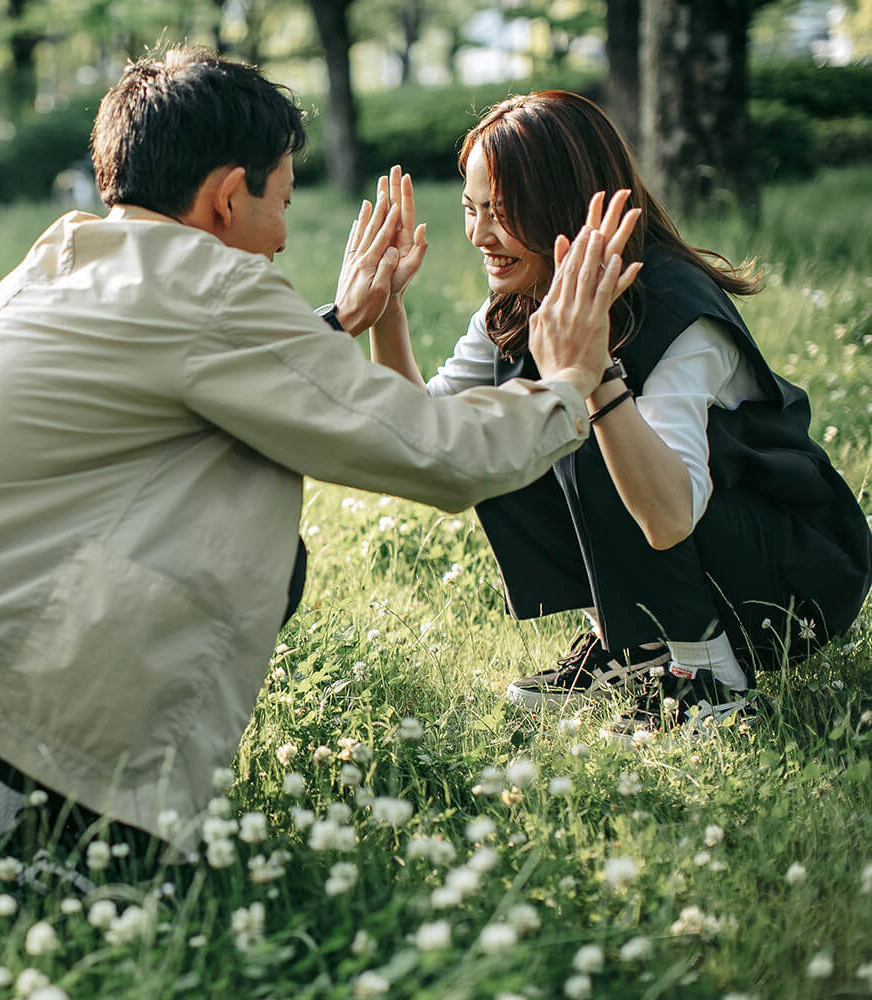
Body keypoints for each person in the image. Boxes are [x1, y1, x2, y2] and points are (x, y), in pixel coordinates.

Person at [0, 51, 628, 852]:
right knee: (254, 524)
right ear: (228, 197)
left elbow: (174, 391)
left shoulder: (77, 256)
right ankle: (9, 802)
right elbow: (435, 454)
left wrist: (339, 324)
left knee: (231, 485)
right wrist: (567, 384)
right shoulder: (213, 286)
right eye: (279, 202)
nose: (280, 236)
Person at [372, 90, 871, 731]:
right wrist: (387, 307)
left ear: (562, 204)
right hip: (704, 542)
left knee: (577, 413)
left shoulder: (674, 310)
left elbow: (671, 517)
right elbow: (427, 435)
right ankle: (630, 647)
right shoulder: (525, 300)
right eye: (471, 210)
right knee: (506, 420)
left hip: (788, 574)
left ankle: (704, 672)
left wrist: (594, 376)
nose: (478, 235)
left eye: (500, 212)